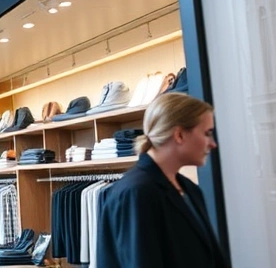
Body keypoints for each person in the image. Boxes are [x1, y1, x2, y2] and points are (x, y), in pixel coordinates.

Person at [97, 93, 228, 268]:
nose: (212, 144)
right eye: (207, 133)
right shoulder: (137, 193)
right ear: (179, 135)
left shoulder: (189, 189)